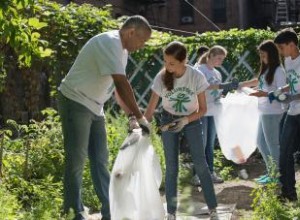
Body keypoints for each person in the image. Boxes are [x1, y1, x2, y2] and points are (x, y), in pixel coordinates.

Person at [57, 15, 152, 220]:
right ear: (131, 32)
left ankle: (111, 211)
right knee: (77, 159)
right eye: (142, 41)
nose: (142, 46)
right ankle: (73, 212)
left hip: (95, 106)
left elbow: (116, 89)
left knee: (100, 160)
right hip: (75, 100)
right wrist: (141, 117)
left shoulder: (122, 51)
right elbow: (121, 83)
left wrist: (130, 116)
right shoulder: (109, 42)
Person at [145, 41, 219, 220]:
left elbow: (203, 109)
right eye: (165, 62)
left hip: (191, 120)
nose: (167, 66)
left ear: (184, 60)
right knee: (172, 167)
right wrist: (141, 123)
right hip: (168, 120)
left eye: (172, 63)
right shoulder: (162, 77)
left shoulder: (196, 76)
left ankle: (213, 209)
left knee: (201, 165)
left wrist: (185, 120)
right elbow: (151, 107)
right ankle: (171, 213)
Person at [239, 40, 287, 184]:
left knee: (272, 144)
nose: (262, 58)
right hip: (264, 110)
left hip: (273, 111)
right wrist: (244, 86)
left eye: (263, 55)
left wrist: (263, 94)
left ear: (271, 54)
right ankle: (272, 172)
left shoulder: (279, 70)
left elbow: (281, 91)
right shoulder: (266, 69)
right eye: (260, 55)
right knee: (260, 141)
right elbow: (260, 82)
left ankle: (276, 176)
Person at [193, 45, 239, 185]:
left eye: (222, 59)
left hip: (213, 112)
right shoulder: (199, 70)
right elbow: (202, 87)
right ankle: (197, 175)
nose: (221, 61)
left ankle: (210, 173)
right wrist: (222, 86)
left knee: (210, 145)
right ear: (210, 56)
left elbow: (217, 92)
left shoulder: (217, 73)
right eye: (219, 58)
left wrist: (227, 90)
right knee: (202, 143)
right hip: (201, 110)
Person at [269, 28, 300, 202]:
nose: (280, 52)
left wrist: (291, 97)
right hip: (293, 112)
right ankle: (289, 193)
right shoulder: (288, 60)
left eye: (281, 47)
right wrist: (280, 90)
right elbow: (292, 83)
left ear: (292, 44)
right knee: (284, 152)